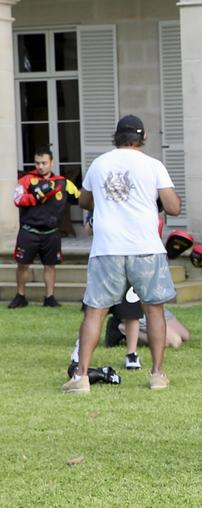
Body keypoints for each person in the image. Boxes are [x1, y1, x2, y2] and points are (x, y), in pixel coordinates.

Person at [62, 114, 180, 393]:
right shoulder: (153, 165)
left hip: (107, 249)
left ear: (116, 137)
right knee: (154, 310)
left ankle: (81, 377)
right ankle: (157, 374)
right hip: (145, 248)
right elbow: (173, 207)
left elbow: (83, 200)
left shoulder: (99, 163)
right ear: (143, 138)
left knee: (95, 312)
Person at [11, 147, 79, 308]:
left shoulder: (63, 182)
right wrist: (36, 195)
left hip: (51, 232)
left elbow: (79, 198)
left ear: (51, 163)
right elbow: (17, 199)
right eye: (37, 163)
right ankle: (20, 296)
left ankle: (49, 297)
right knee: (22, 265)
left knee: (50, 265)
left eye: (44, 163)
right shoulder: (26, 180)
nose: (40, 166)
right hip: (29, 231)